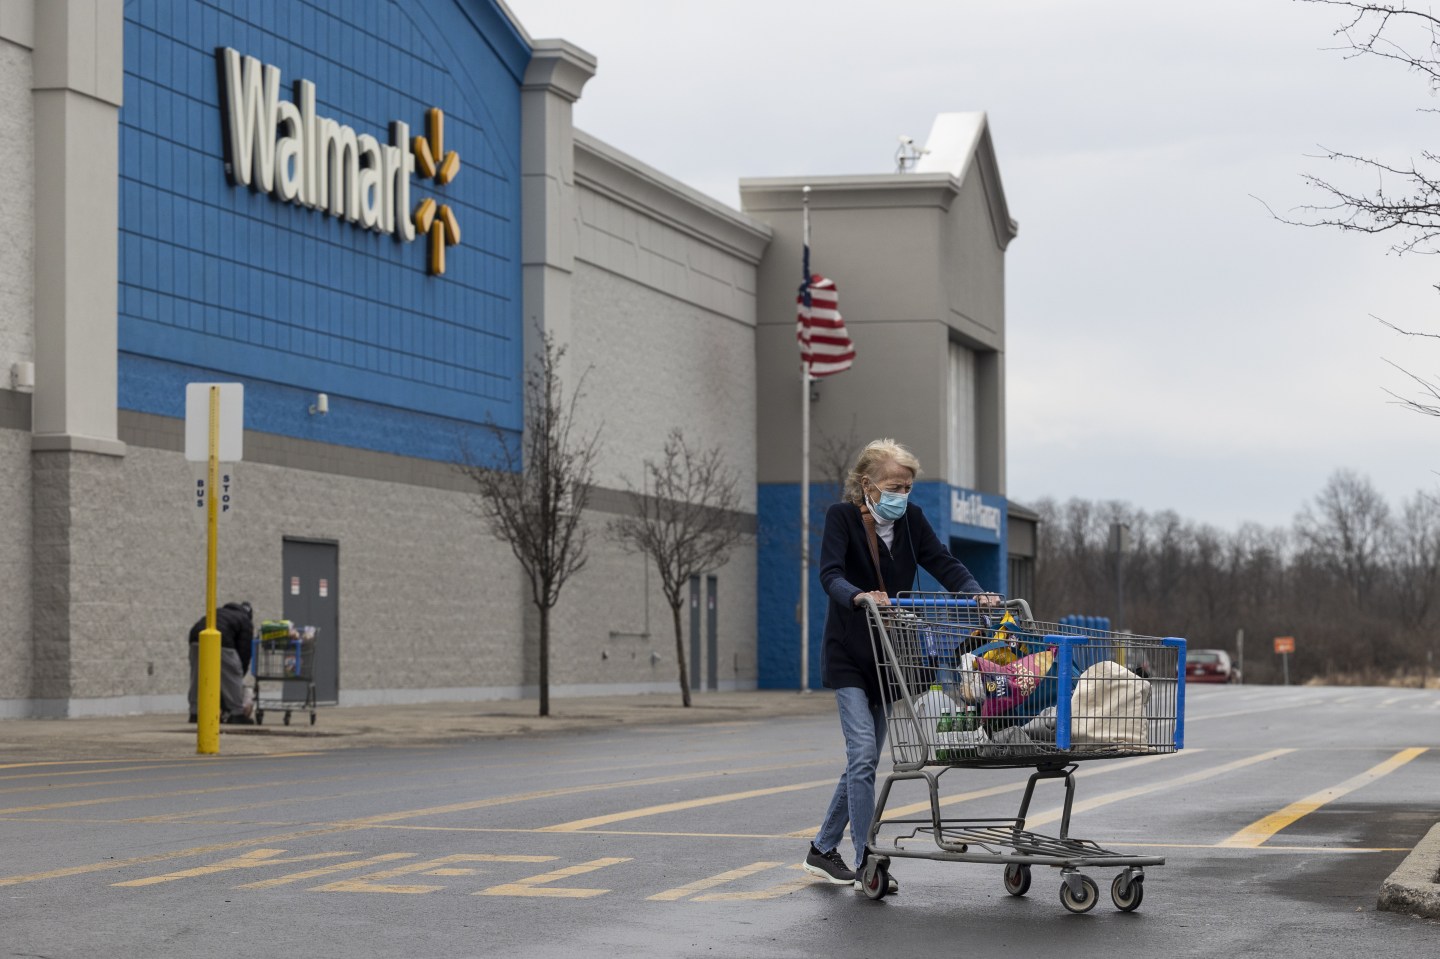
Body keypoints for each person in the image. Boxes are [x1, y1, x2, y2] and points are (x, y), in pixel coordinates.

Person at [802, 439, 997, 893]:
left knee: (864, 760)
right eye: (894, 486)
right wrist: (858, 595)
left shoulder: (912, 521)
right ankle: (865, 858)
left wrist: (974, 592)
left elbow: (943, 562)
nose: (902, 495)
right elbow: (830, 573)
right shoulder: (842, 517)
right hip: (849, 652)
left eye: (907, 487)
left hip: (890, 655)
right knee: (863, 755)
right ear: (867, 484)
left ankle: (822, 849)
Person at [188, 600, 255, 724]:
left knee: (199, 676)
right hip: (221, 639)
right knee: (232, 675)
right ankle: (237, 713)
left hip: (196, 638)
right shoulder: (245, 620)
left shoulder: (219, 612)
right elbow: (244, 651)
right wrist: (239, 672)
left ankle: (195, 713)